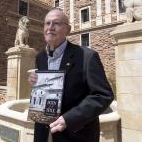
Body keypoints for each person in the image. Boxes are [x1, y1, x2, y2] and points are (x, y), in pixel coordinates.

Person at [29, 9, 114, 142]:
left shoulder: (87, 56)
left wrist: (69, 119)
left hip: (75, 135)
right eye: (47, 23)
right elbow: (48, 90)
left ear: (68, 30)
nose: (50, 27)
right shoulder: (40, 57)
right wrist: (37, 83)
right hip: (43, 134)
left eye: (56, 23)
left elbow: (103, 95)